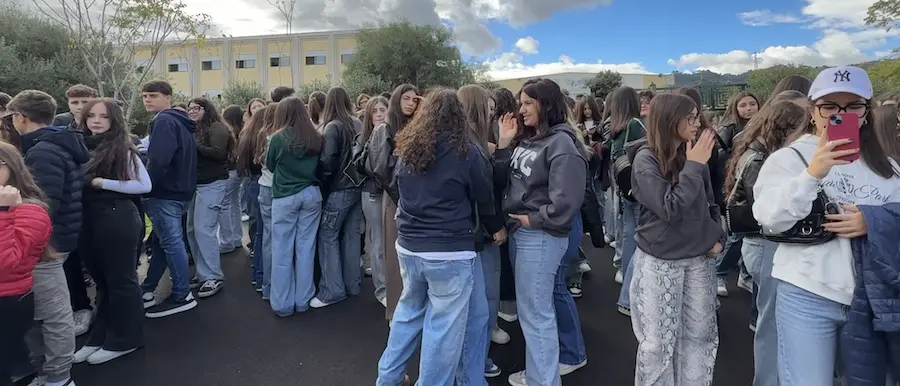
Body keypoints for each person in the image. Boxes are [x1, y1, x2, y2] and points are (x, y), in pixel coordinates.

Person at [376, 89, 496, 386]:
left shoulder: (409, 147)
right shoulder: (468, 152)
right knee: (442, 330)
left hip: (410, 246)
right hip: (449, 250)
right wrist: (496, 227)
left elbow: (398, 186)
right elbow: (483, 197)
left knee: (407, 313)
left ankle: (387, 378)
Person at [7, 89, 89, 386]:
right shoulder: (55, 143)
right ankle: (51, 371)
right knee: (47, 311)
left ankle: (57, 376)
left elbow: (45, 204)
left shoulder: (43, 151)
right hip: (56, 238)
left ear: (21, 117)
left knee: (51, 314)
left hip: (47, 246)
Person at [138, 80, 199, 318]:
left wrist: (146, 187)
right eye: (144, 96)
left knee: (172, 243)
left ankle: (182, 295)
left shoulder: (164, 120)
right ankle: (148, 288)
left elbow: (159, 160)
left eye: (152, 95)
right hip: (181, 191)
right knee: (164, 243)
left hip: (166, 192)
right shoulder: (180, 121)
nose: (147, 100)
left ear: (168, 97)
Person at [0, 142, 53, 386]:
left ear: (13, 168)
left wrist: (3, 210)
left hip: (8, 301)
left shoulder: (31, 211)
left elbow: (6, 263)